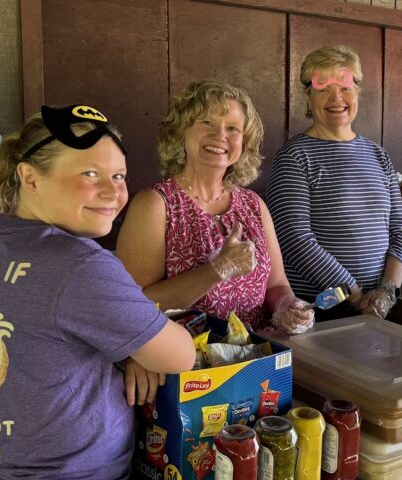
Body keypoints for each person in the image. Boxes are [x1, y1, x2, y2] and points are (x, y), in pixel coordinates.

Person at [0, 105, 194, 479]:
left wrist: (130, 339)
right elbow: (179, 355)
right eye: (89, 173)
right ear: (30, 178)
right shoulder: (80, 265)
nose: (113, 191)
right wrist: (136, 344)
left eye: (118, 175)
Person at [116, 81, 312, 404]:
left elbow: (277, 285)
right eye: (206, 122)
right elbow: (131, 306)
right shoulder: (156, 205)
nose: (220, 135)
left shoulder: (254, 205)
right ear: (182, 131)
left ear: (244, 142)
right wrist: (217, 269)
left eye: (232, 128)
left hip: (254, 372)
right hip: (186, 378)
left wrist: (287, 307)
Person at [266, 45, 402, 321]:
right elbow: (293, 237)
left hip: (378, 307)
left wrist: (386, 291)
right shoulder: (294, 156)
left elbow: (400, 230)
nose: (336, 98)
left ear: (357, 92)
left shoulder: (378, 155)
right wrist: (355, 295)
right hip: (320, 311)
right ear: (308, 96)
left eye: (345, 87)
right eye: (324, 89)